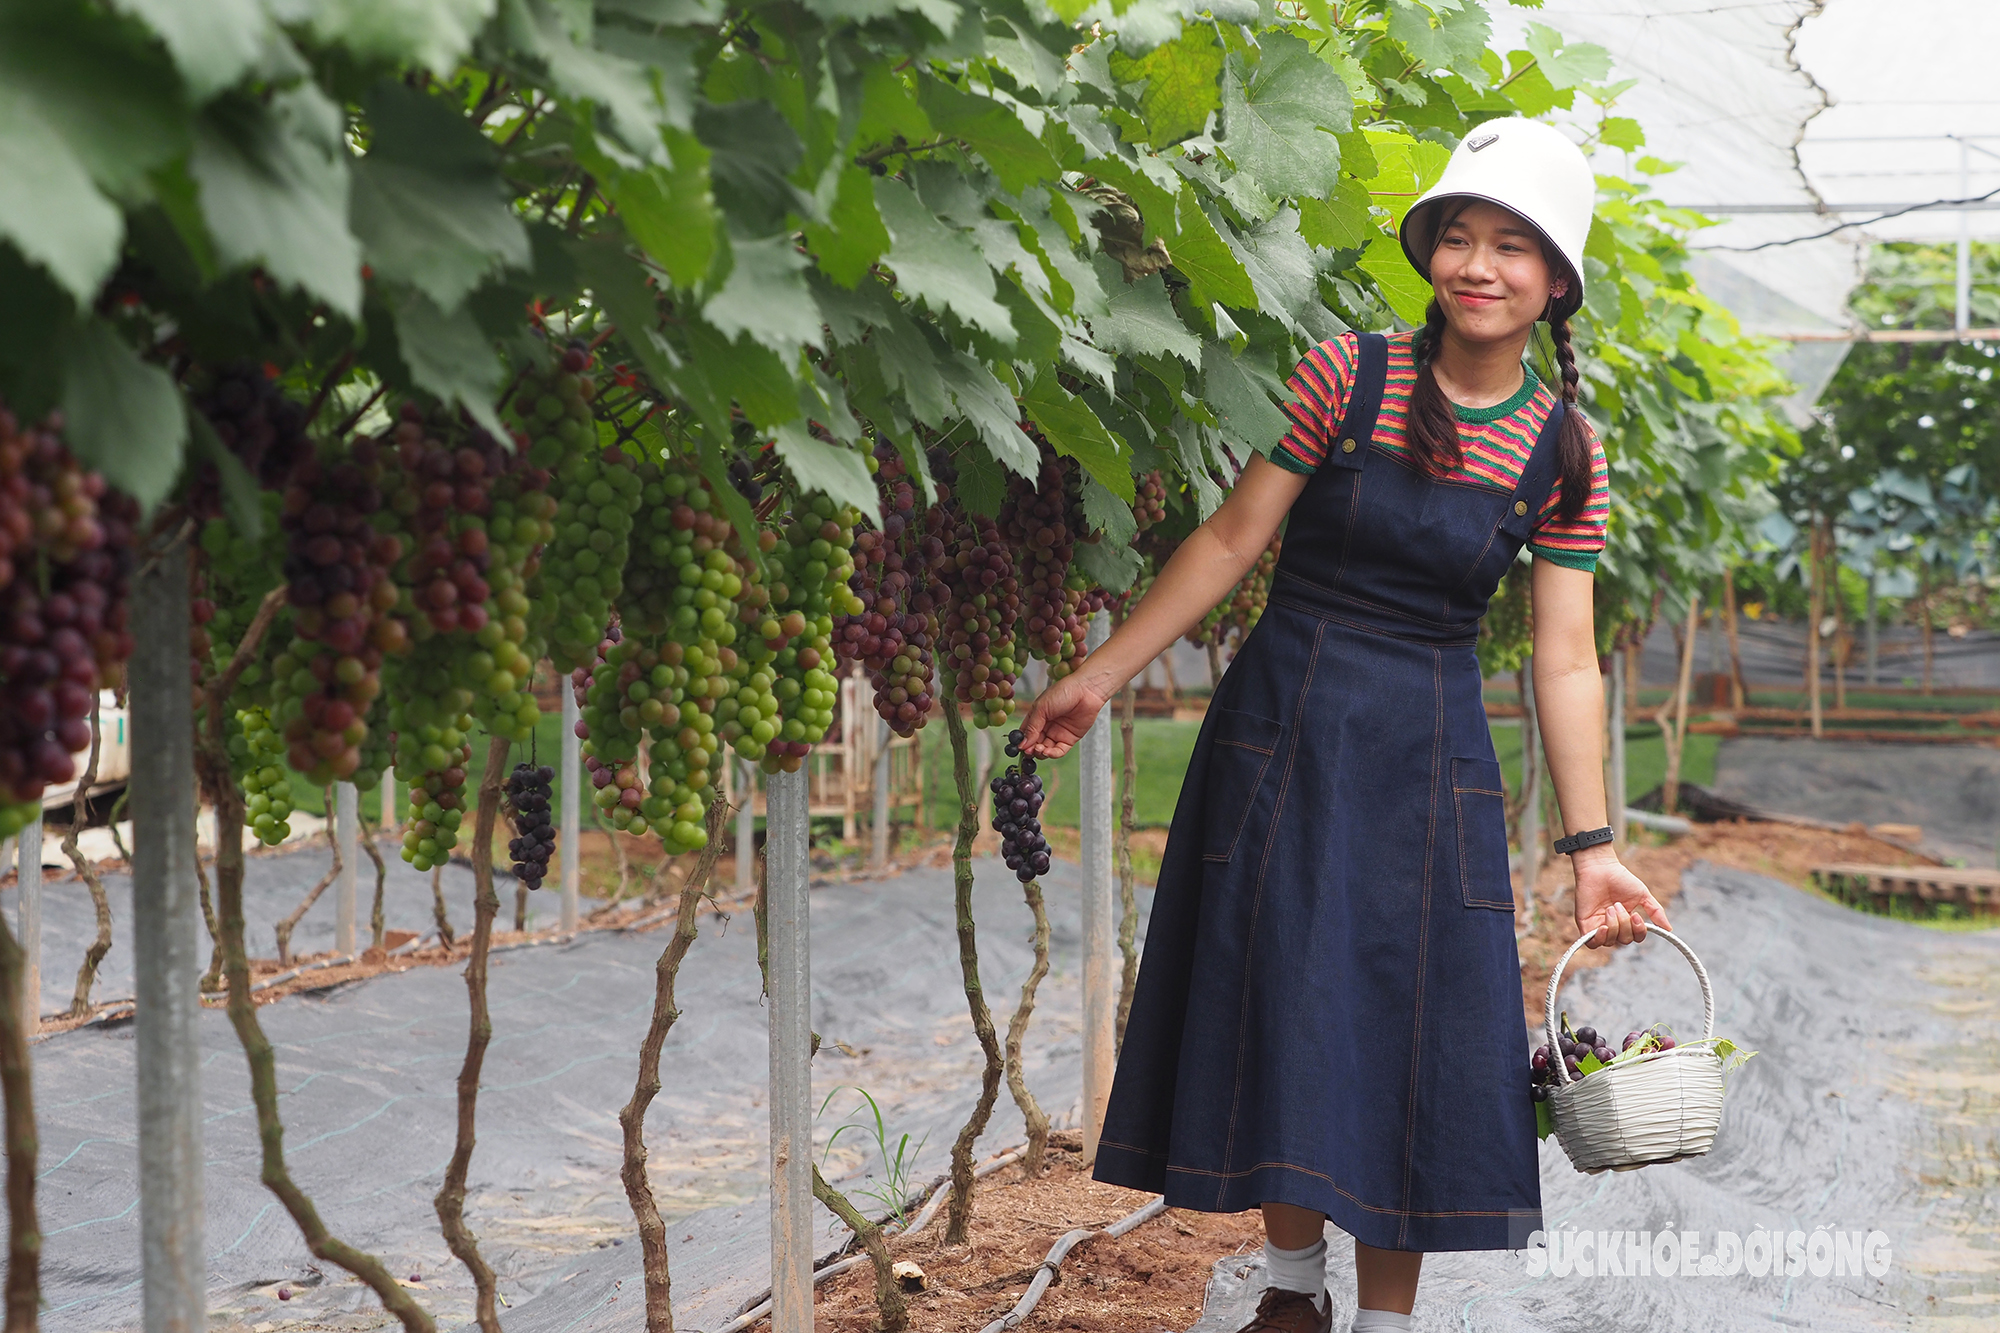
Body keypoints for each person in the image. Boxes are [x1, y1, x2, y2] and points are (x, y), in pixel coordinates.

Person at [1018, 118, 1674, 1333]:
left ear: (1555, 280)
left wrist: (1592, 845)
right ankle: (1289, 1288)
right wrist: (1099, 674)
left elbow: (1566, 657)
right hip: (1286, 723)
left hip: (1429, 753)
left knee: (1409, 1020)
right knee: (1286, 992)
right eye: (1457, 239)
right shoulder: (1347, 375)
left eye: (1510, 247)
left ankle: (1386, 1320)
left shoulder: (1561, 449)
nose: (1477, 267)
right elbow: (1228, 540)